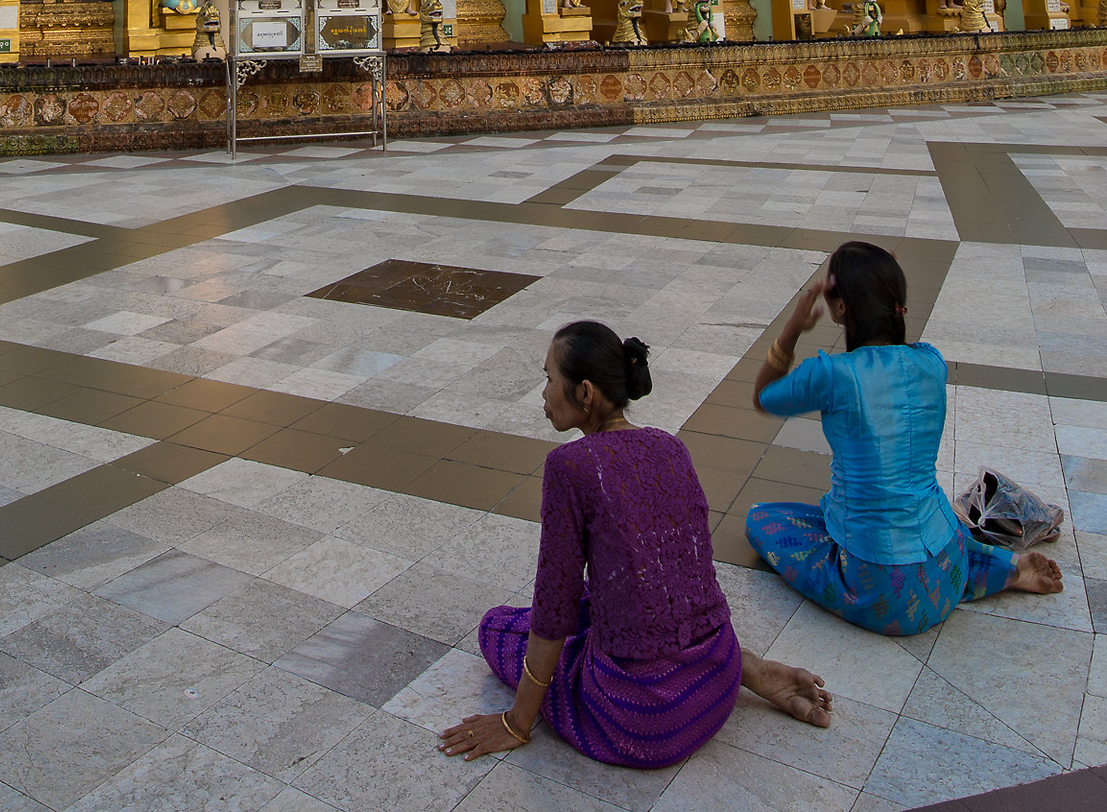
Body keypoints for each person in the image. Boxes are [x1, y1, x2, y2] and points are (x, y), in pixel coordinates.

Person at [440, 321, 832, 769]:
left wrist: (516, 722)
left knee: (497, 627)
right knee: (615, 593)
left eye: (549, 379)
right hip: (717, 676)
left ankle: (722, 671)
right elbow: (687, 583)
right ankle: (750, 668)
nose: (544, 393)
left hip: (645, 718)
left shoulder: (571, 466)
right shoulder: (671, 447)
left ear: (585, 393)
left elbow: (554, 609)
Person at [747, 240, 1064, 633]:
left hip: (882, 592)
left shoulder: (831, 374)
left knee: (762, 520)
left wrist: (794, 326)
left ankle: (997, 570)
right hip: (948, 564)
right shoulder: (931, 362)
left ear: (840, 306)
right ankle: (1002, 569)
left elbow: (765, 397)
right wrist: (880, 285)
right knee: (914, 508)